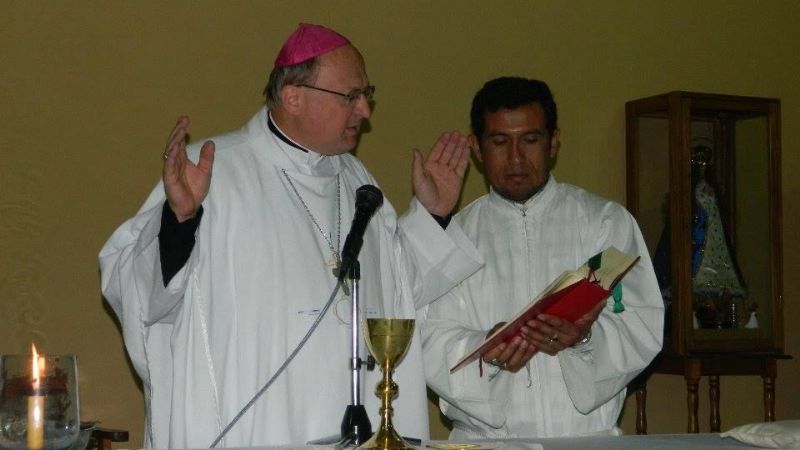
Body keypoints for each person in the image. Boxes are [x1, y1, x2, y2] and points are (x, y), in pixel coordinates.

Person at [99, 23, 482, 449]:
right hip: (256, 428)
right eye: (351, 97)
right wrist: (180, 222)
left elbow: (393, 296)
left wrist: (433, 215)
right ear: (293, 96)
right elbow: (137, 291)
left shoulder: (357, 182)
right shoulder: (211, 169)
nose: (365, 112)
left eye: (366, 95)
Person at [421, 77, 664, 439]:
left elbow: (640, 323)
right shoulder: (451, 239)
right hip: (488, 443)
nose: (516, 158)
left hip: (584, 440)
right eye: (500, 142)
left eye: (530, 140)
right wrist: (484, 349)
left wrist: (583, 339)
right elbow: (427, 336)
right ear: (476, 147)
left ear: (554, 142)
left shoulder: (604, 224)